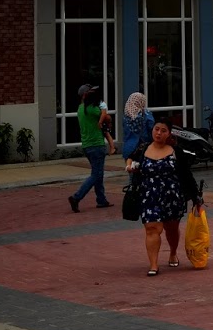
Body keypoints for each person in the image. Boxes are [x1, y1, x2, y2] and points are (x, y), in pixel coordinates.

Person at [126, 120, 202, 275]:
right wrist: (129, 167)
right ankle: (153, 265)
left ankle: (173, 252)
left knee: (171, 228)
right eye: (156, 129)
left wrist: (196, 197)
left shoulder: (175, 151)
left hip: (172, 196)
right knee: (152, 228)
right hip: (149, 195)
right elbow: (131, 158)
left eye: (163, 130)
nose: (159, 133)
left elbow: (187, 175)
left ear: (169, 134)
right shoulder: (143, 148)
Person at [67, 84, 115, 212]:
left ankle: (101, 200)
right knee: (96, 175)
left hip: (87, 145)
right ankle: (76, 197)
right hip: (97, 145)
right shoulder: (93, 108)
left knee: (98, 173)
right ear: (86, 95)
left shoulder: (80, 108)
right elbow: (107, 117)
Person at [118, 92, 155, 160]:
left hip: (128, 148)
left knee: (130, 166)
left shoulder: (126, 116)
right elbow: (151, 128)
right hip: (142, 148)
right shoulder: (146, 114)